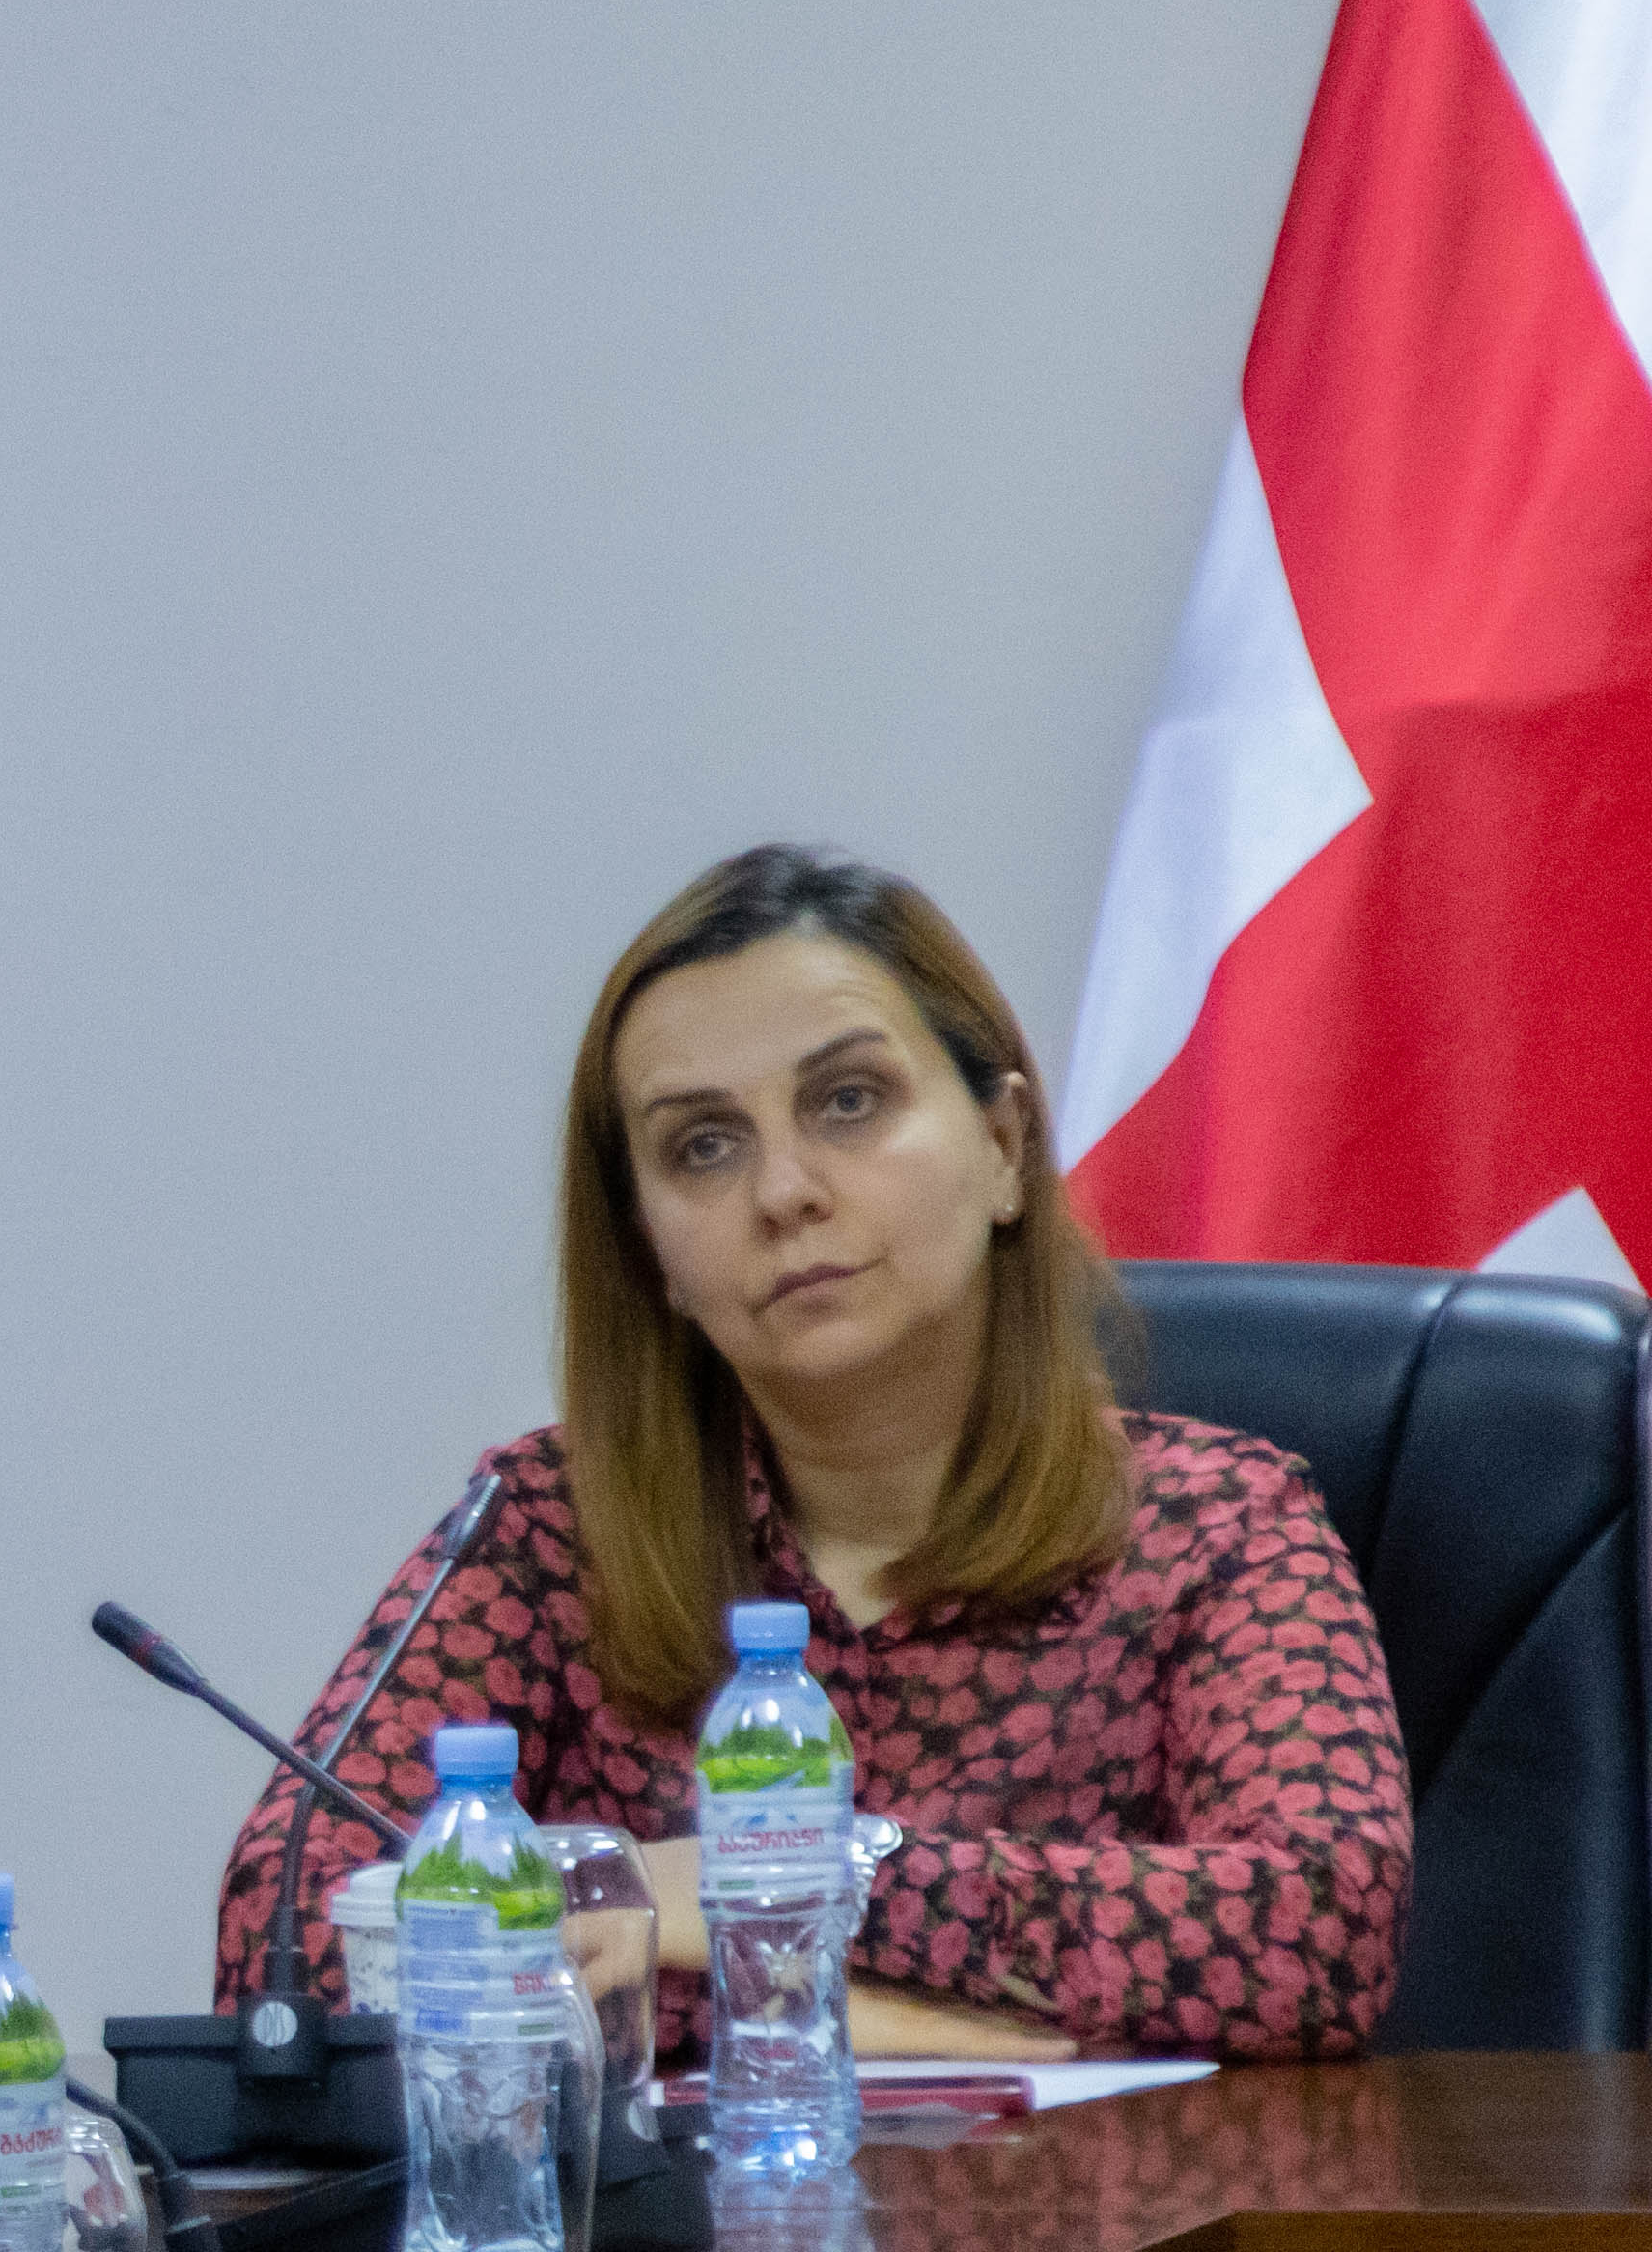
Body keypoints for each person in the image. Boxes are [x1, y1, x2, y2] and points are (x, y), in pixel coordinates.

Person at [208, 843, 1410, 2063]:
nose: (783, 1191)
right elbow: (287, 1928)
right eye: (703, 1146)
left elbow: (1327, 1920)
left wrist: (810, 1880)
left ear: (1003, 1145)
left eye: (848, 1101)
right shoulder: (548, 1532)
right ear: (652, 1252)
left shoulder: (1214, 1526)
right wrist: (840, 2007)